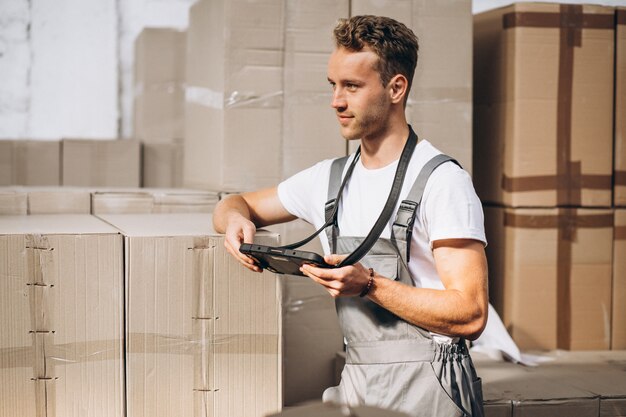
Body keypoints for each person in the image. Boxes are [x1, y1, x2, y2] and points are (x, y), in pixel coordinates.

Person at [213, 15, 488, 417]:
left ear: (396, 88)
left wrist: (370, 284)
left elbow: (471, 314)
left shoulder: (441, 182)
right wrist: (236, 221)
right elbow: (233, 203)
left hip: (432, 388)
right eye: (333, 85)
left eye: (352, 86)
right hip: (360, 384)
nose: (336, 101)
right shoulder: (328, 179)